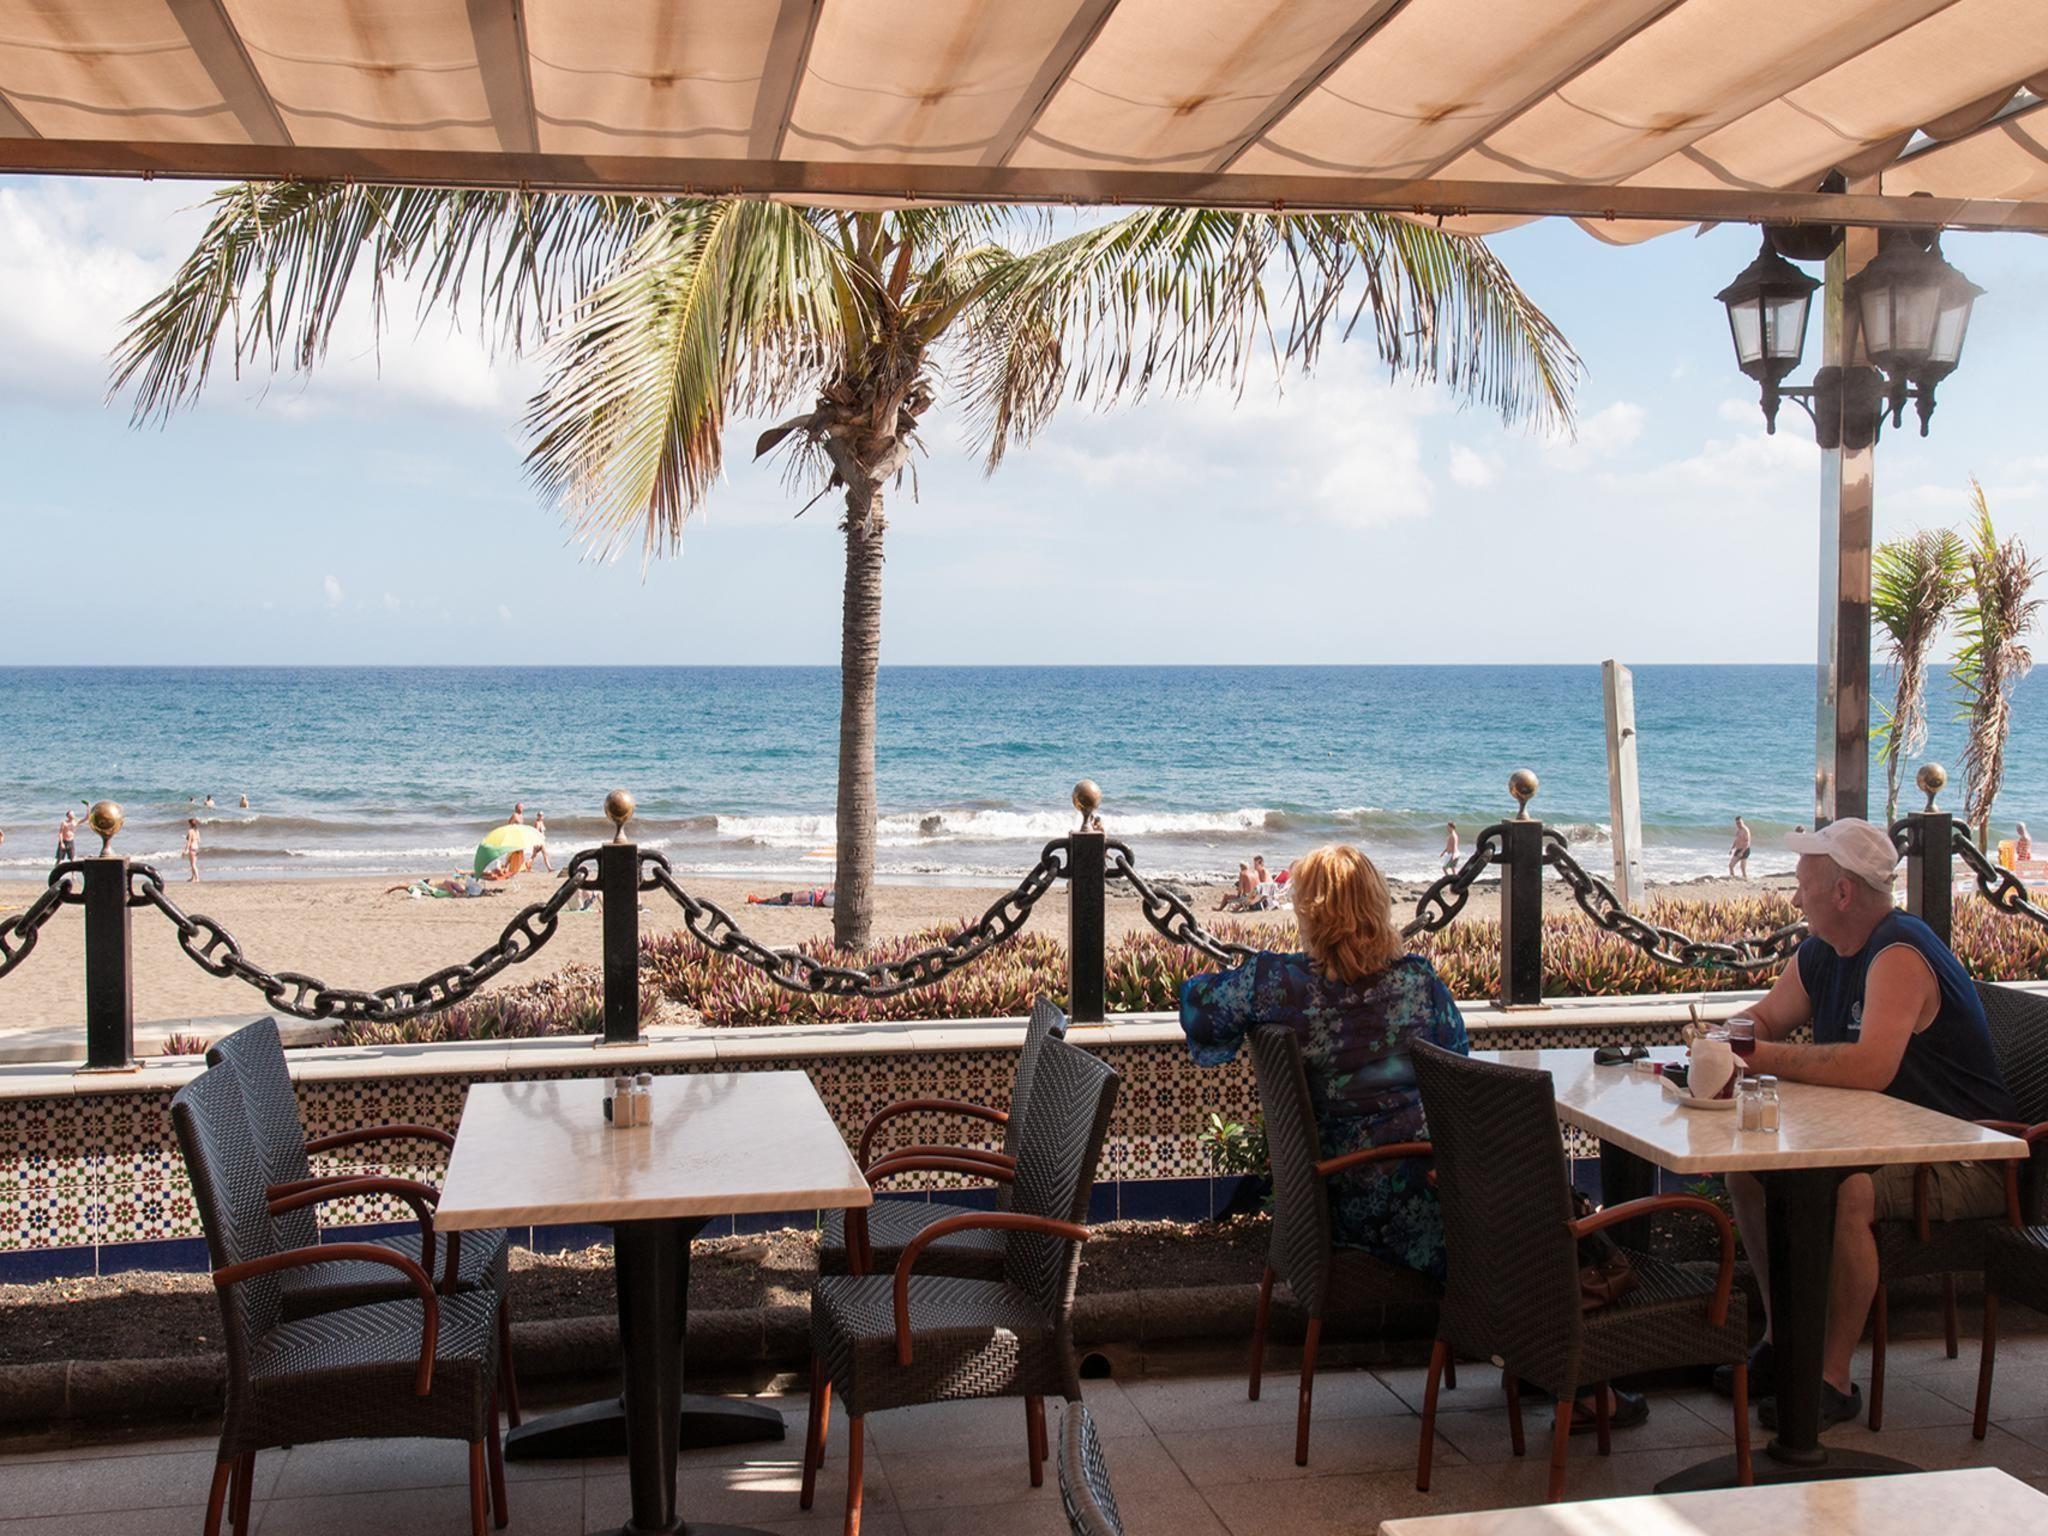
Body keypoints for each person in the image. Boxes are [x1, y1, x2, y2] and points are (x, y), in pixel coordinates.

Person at [1713, 819, 2019, 1431]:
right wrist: (1720, 1039)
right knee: (1745, 1173)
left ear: (1842, 892)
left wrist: (1755, 1057)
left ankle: (1830, 1379)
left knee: (1849, 1190)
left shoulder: (1900, 952)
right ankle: (1783, 1341)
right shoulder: (1822, 952)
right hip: (1891, 1141)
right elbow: (1766, 1020)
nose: (1795, 900)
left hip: (1970, 1153)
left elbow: (1871, 1067)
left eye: (1803, 886)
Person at [1181, 844, 1469, 1278]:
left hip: (1329, 1196)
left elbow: (1198, 1010)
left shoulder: (1276, 983)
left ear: (1309, 912)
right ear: (1379, 906)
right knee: (1529, 1215)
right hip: (1419, 1196)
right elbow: (1457, 1070)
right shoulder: (1418, 982)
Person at [747, 888, 835, 907]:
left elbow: (825, 901)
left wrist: (828, 892)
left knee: (786, 897)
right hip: (811, 895)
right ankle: (761, 900)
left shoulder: (834, 900)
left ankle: (760, 901)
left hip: (811, 898)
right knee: (787, 896)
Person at [183, 818, 202, 882]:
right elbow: (199, 840)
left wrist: (185, 850)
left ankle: (197, 878)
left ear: (190, 824)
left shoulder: (190, 831)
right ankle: (193, 877)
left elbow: (189, 842)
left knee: (193, 864)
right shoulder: (197, 831)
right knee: (193, 864)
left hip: (192, 848)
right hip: (197, 848)